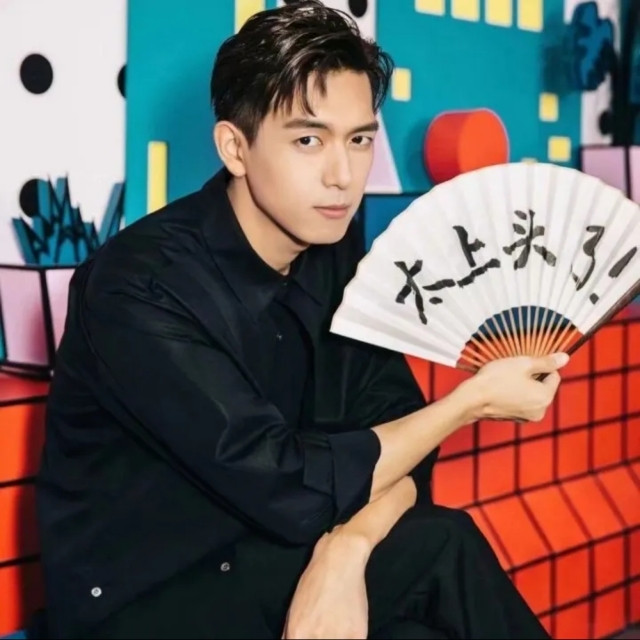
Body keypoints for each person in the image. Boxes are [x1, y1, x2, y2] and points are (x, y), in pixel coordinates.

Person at [35, 2, 567, 638]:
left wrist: (348, 552)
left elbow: (401, 441)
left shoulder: (332, 252)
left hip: (278, 552)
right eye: (308, 140)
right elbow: (286, 483)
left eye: (359, 139)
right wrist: (469, 403)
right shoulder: (138, 286)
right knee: (441, 548)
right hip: (144, 594)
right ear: (235, 147)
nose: (342, 176)